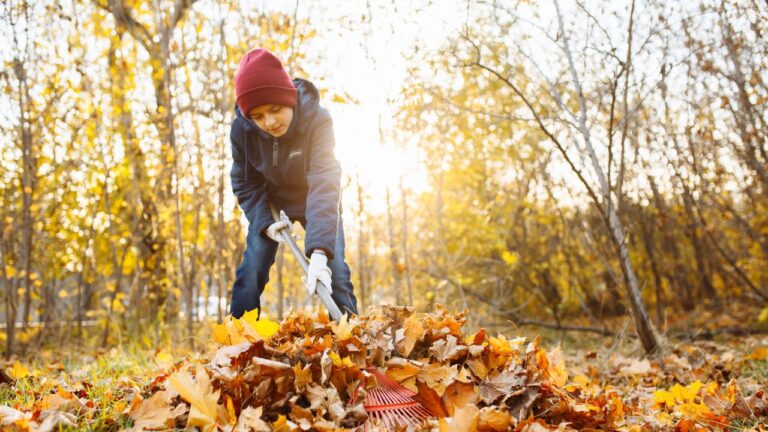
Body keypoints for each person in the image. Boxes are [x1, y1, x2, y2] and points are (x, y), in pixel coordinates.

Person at [228, 48, 358, 320]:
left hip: (315, 197)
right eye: (258, 116)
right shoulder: (242, 130)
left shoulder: (317, 120)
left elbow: (324, 178)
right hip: (271, 204)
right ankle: (237, 341)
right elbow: (244, 181)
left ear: (289, 99)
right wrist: (263, 221)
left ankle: (352, 337)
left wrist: (320, 251)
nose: (270, 122)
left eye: (275, 110)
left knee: (336, 273)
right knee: (251, 270)